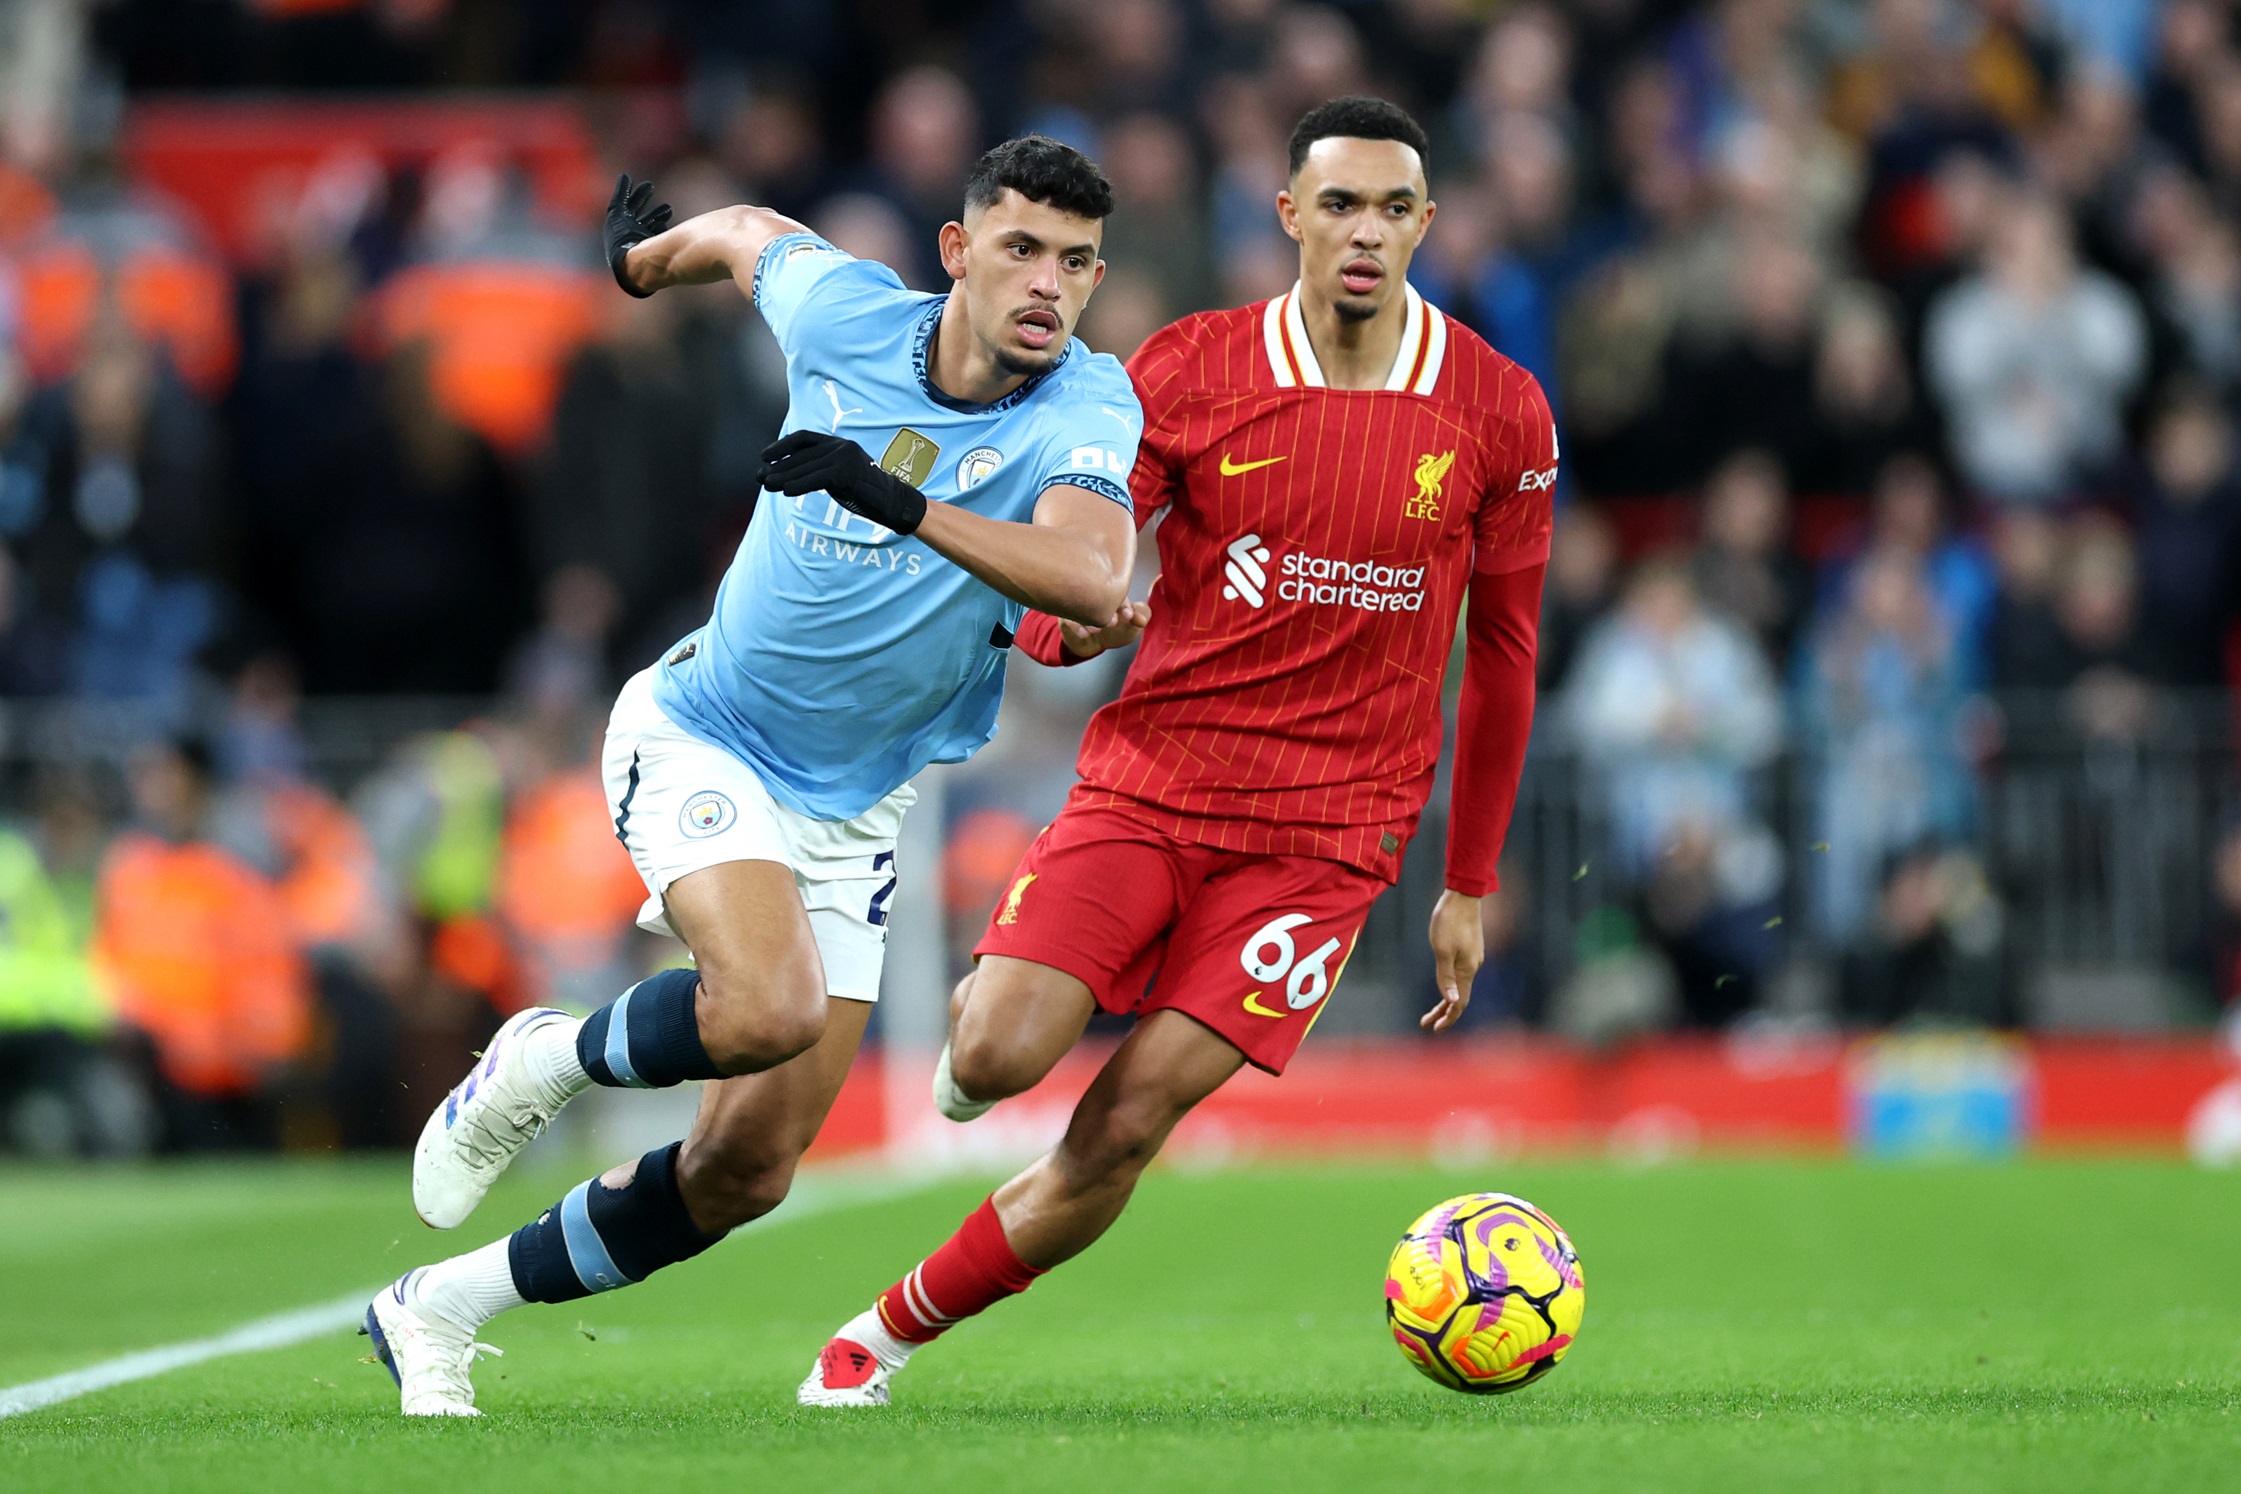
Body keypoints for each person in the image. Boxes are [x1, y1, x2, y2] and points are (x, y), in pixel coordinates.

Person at [363, 139, 1143, 1417]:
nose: (1047, 284)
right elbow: (745, 232)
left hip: (859, 805)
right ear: (957, 253)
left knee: (747, 1170)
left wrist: (901, 504)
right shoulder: (844, 314)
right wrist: (638, 264)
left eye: (1074, 262)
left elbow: (1093, 579)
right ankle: (548, 1058)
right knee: (767, 1006)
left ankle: (438, 1306)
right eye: (1019, 249)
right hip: (700, 731)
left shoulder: (1087, 407)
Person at [798, 96, 1555, 1407]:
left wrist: (1468, 879)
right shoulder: (1188, 369)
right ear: (1286, 217)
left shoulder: (1499, 411)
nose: (1363, 233)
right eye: (1337, 206)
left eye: (1390, 209)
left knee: (1128, 1121)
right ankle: (978, 1044)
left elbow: (1501, 654)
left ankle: (884, 1333)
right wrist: (1059, 634)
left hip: (1327, 838)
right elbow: (1081, 564)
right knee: (994, 1055)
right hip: (1154, 781)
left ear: (1425, 224)